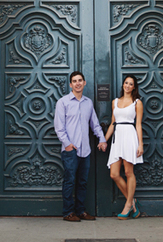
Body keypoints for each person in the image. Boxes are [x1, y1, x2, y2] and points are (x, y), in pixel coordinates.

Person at [54, 71, 107, 222]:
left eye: (80, 80)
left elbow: (95, 124)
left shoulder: (88, 103)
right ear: (70, 84)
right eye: (74, 81)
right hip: (71, 150)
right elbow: (59, 127)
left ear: (84, 83)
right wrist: (68, 145)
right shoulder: (63, 102)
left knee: (82, 182)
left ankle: (81, 211)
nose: (77, 83)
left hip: (86, 150)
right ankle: (68, 213)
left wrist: (102, 139)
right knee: (70, 181)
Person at [104, 74, 144, 219]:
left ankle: (127, 206)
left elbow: (138, 125)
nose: (127, 86)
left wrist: (140, 144)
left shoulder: (137, 102)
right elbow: (113, 124)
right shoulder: (115, 101)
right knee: (114, 174)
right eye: (126, 83)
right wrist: (104, 140)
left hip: (129, 135)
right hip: (117, 137)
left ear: (134, 87)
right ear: (123, 85)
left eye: (130, 84)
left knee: (128, 172)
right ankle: (132, 201)